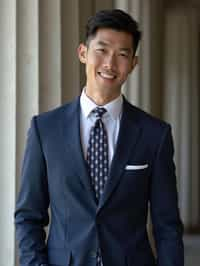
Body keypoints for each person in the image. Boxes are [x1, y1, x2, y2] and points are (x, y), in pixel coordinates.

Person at [15, 9, 184, 266]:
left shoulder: (155, 135)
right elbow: (28, 216)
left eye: (122, 54)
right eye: (102, 50)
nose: (110, 63)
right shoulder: (45, 130)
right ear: (83, 53)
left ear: (133, 64)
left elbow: (167, 226)